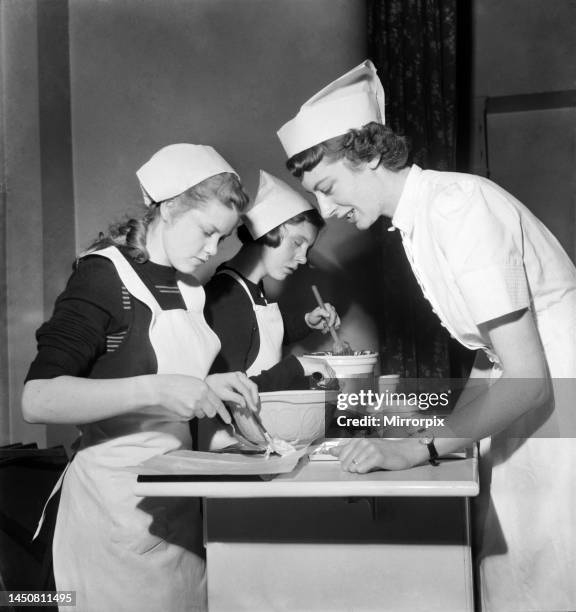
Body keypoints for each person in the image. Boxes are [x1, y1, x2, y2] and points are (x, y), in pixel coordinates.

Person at [277, 60, 576, 612]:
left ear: (367, 154)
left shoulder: (459, 208)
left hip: (562, 402)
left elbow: (529, 380)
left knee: (549, 571)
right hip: (539, 404)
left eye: (327, 187)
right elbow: (491, 359)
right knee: (514, 567)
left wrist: (420, 447)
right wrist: (437, 438)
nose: (325, 210)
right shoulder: (423, 218)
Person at [22, 143, 259, 612]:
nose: (213, 250)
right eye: (207, 231)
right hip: (114, 516)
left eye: (224, 239)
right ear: (168, 208)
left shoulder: (188, 286)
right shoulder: (103, 276)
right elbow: (39, 399)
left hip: (178, 509)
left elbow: (165, 385)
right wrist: (159, 389)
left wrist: (211, 392)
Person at [205, 169, 339, 392]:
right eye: (297, 243)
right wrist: (296, 367)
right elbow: (231, 394)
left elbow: (256, 334)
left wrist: (307, 321)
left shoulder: (247, 285)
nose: (304, 258)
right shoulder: (226, 297)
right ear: (268, 232)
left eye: (308, 248)